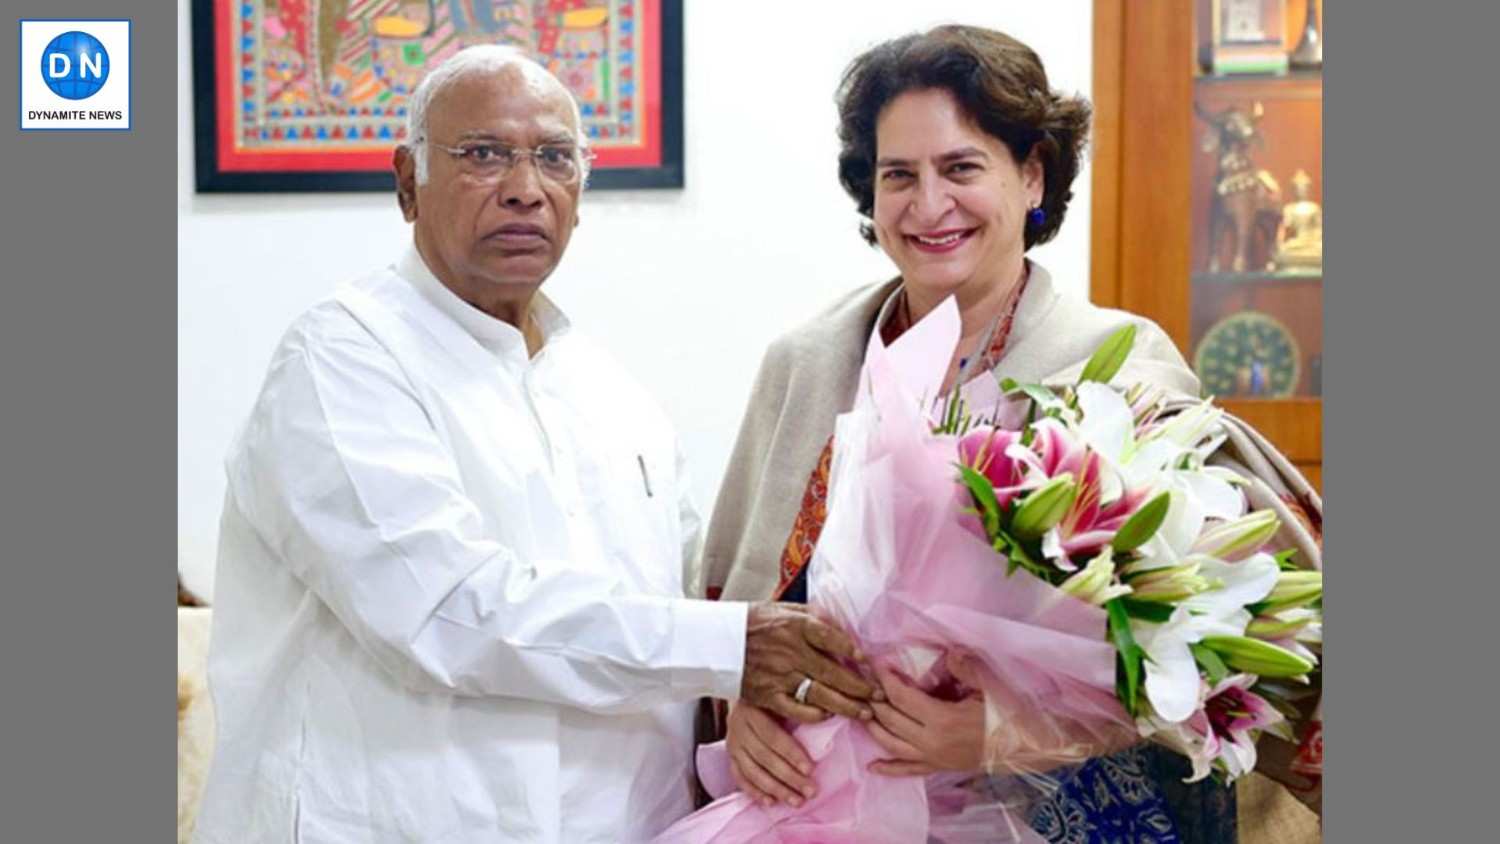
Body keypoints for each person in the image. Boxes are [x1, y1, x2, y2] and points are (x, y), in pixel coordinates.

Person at [192, 45, 879, 844]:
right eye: (483, 155)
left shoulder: (610, 393)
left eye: (555, 158)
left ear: (581, 192)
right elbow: (447, 612)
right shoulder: (342, 360)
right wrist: (731, 647)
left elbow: (679, 603)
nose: (526, 189)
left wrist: (753, 704)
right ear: (406, 182)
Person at [699, 26, 1321, 843]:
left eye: (961, 168)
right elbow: (727, 605)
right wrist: (741, 702)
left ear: (1031, 175)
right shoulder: (808, 363)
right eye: (898, 176)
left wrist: (1007, 735)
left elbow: (1210, 650)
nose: (928, 206)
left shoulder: (1117, 363)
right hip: (828, 812)